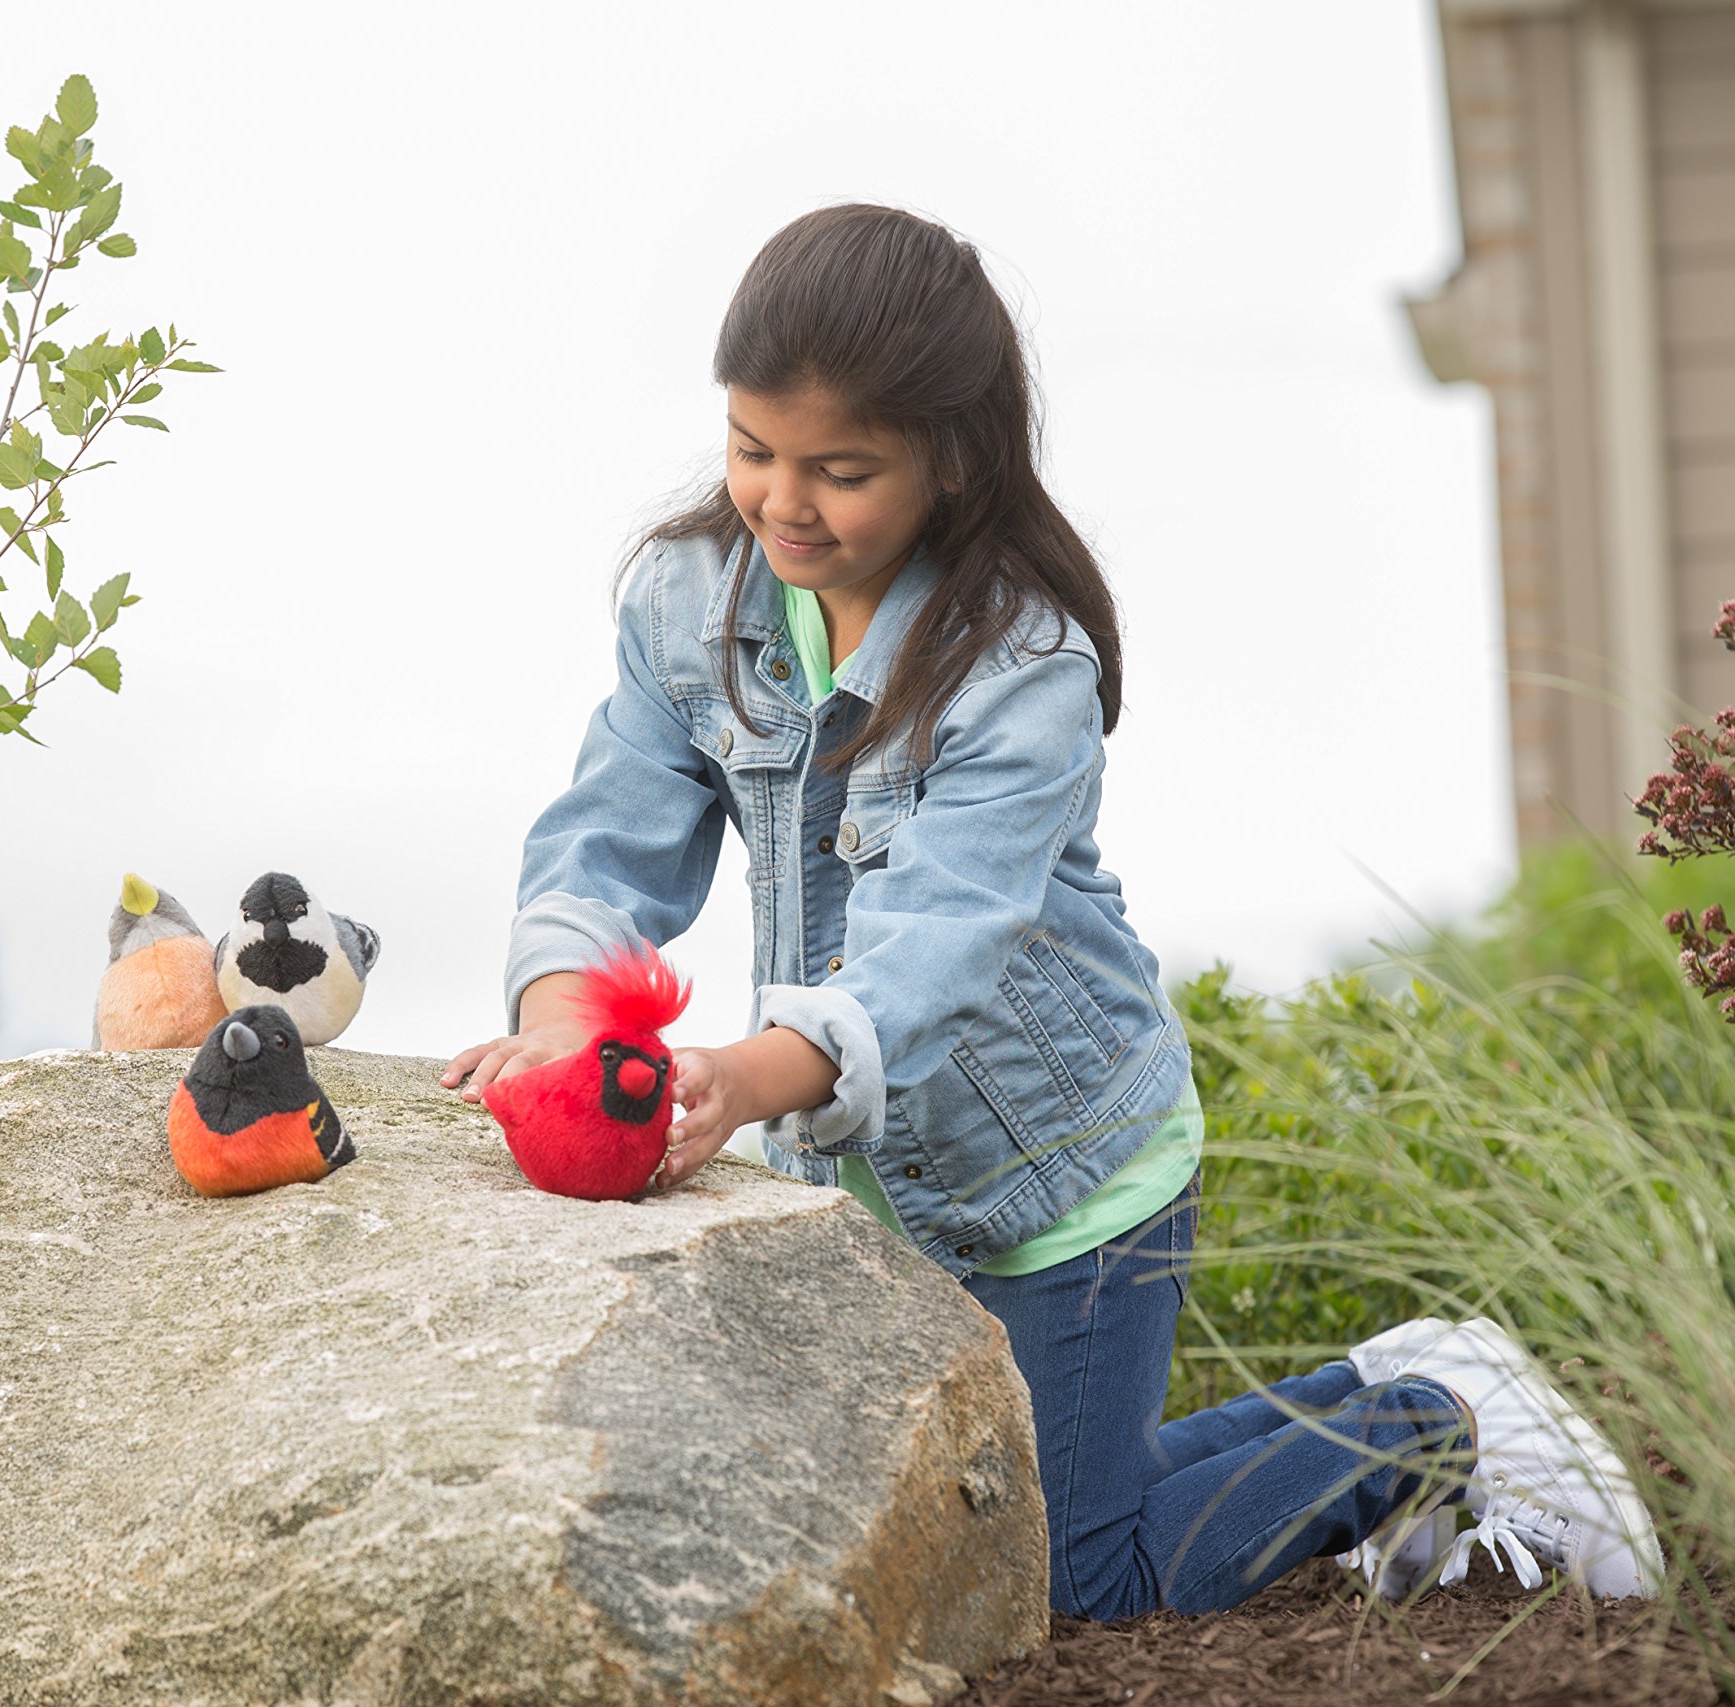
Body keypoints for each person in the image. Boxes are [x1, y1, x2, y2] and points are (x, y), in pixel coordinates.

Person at [442, 203, 1660, 1618]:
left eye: (840, 471)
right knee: (971, 1518)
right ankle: (1390, 1379)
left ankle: (1428, 1427)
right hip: (869, 1175)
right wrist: (560, 1015)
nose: (782, 501)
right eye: (751, 449)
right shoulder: (686, 602)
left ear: (950, 461)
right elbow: (610, 833)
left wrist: (739, 1080)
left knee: (1071, 1581)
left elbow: (937, 946)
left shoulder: (1019, 660)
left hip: (1070, 1173)